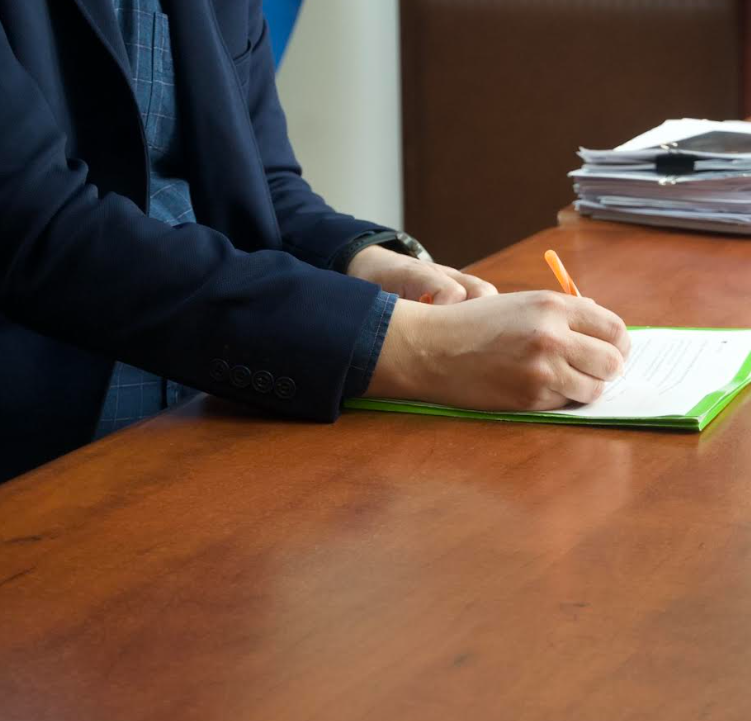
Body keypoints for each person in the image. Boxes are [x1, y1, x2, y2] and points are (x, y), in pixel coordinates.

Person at [0, 0, 630, 482]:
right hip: (48, 457)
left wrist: (366, 262)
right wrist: (416, 346)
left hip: (223, 414)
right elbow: (43, 231)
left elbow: (262, 182)